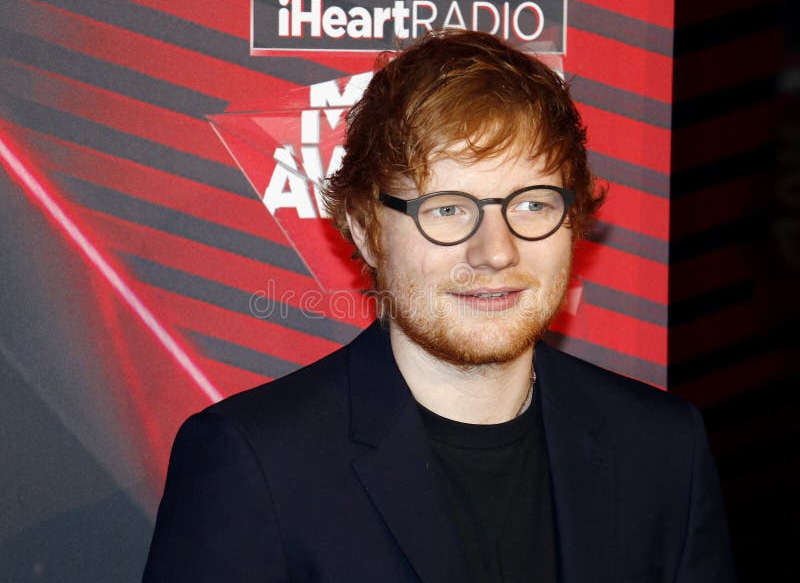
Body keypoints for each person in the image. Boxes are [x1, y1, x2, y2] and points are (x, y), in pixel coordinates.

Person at [143, 29, 737, 582]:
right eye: (448, 208)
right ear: (365, 226)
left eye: (531, 204)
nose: (496, 252)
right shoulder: (253, 466)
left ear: (573, 218)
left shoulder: (664, 450)